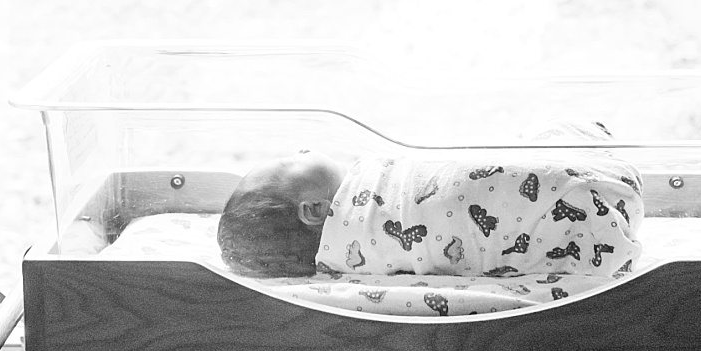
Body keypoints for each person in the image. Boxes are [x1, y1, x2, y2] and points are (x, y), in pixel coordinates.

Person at [215, 132, 644, 279]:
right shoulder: (363, 212)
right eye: (290, 162)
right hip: (586, 203)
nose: (301, 150)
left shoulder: (352, 255)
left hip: (590, 200)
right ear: (313, 210)